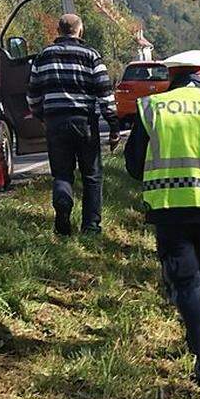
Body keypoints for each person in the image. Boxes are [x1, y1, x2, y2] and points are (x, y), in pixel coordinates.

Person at [124, 50, 200, 385]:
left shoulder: (152, 108)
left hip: (168, 208)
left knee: (186, 284)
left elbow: (134, 166)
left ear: (170, 75)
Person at [27, 14, 121, 235]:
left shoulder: (43, 57)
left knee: (61, 174)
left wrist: (41, 116)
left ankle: (63, 207)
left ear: (58, 31)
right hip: (85, 123)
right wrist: (114, 127)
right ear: (80, 31)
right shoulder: (92, 56)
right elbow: (105, 95)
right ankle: (91, 227)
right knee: (92, 176)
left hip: (55, 122)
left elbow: (32, 94)